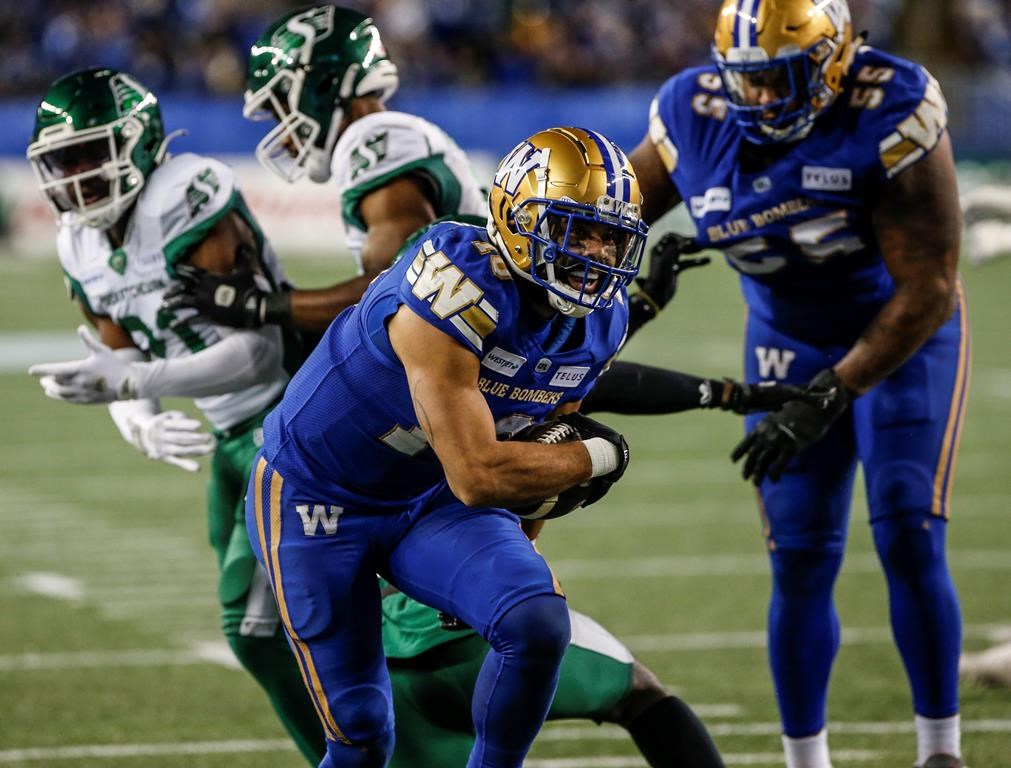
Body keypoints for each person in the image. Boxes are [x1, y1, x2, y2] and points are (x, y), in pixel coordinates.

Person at [627, 2, 967, 767]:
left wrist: (835, 391)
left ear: (835, 61)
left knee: (909, 529)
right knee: (799, 552)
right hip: (785, 338)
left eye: (781, 79)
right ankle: (802, 760)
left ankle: (939, 750)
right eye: (746, 82)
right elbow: (610, 220)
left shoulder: (893, 108)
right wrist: (636, 287)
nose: (761, 100)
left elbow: (928, 287)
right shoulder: (690, 114)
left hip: (901, 330)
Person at [24, 67, 328, 765]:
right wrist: (137, 415)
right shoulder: (78, 242)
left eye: (88, 156)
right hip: (230, 437)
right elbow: (114, 352)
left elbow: (256, 351)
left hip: (289, 417)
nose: (74, 179)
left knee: (254, 626)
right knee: (270, 625)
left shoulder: (182, 194)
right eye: (60, 163)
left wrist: (140, 380)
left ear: (135, 143)